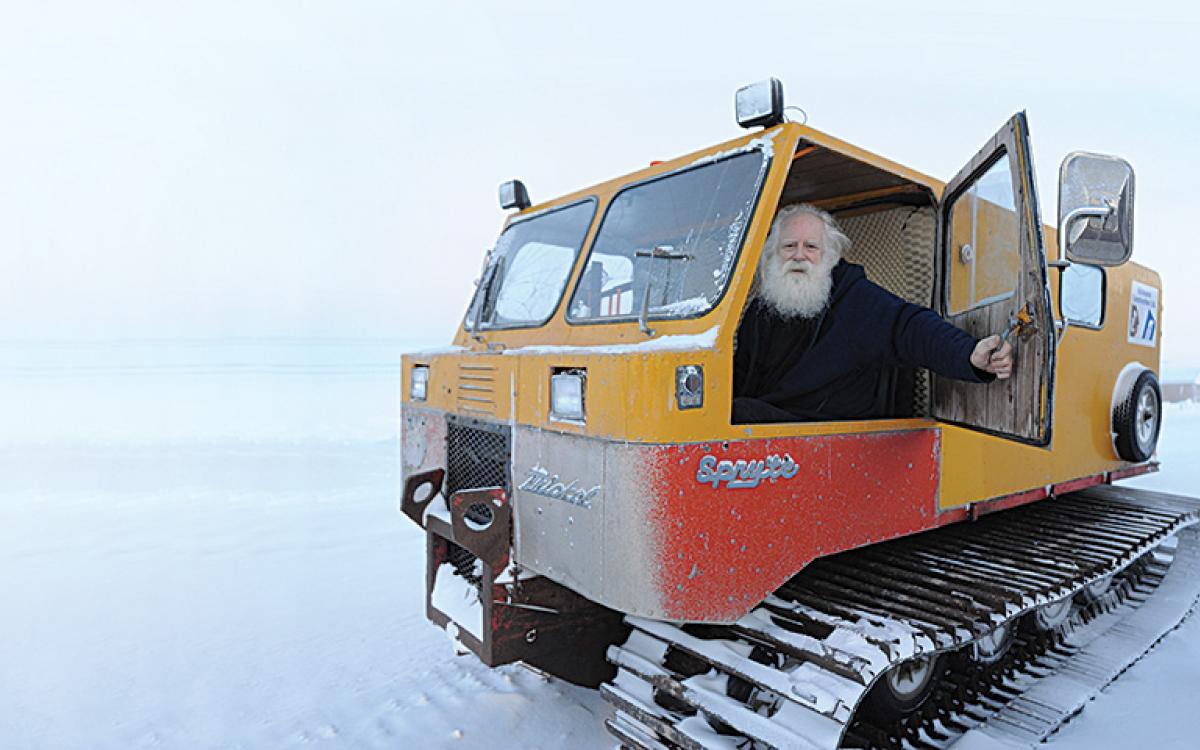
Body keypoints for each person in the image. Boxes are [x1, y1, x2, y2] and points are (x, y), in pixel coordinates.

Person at [733, 203, 1014, 424]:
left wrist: (969, 353)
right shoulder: (760, 311)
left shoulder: (855, 298)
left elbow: (909, 327)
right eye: (789, 246)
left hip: (831, 430)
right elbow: (738, 375)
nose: (798, 255)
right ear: (774, 253)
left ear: (829, 255)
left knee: (741, 413)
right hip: (768, 426)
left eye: (811, 247)